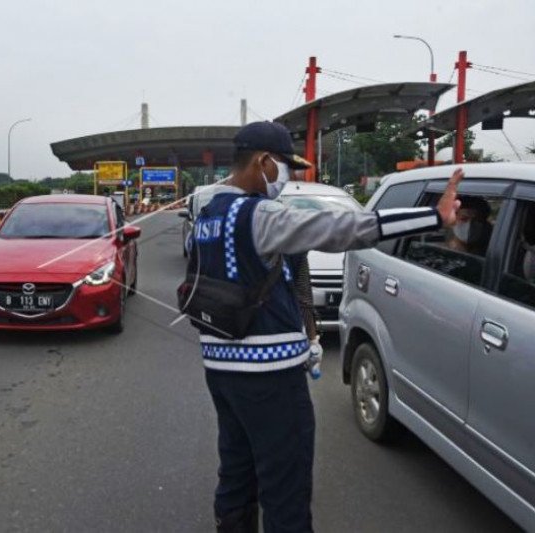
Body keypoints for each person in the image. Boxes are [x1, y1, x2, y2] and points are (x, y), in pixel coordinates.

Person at [188, 122, 463, 532]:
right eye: (286, 168)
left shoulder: (206, 217)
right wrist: (433, 217)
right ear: (264, 162)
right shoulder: (259, 214)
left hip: (221, 371)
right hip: (271, 378)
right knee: (286, 487)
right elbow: (340, 227)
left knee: (236, 471)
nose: (290, 179)